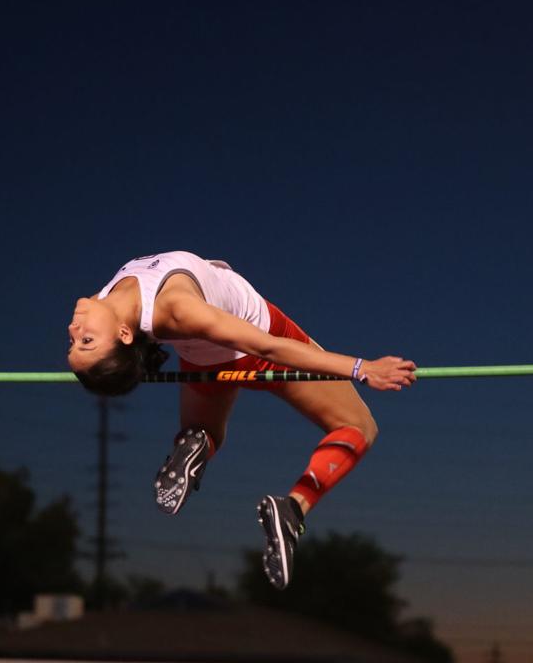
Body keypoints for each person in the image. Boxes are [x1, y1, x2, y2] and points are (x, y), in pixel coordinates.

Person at [67, 251, 416, 589]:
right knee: (359, 426)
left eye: (75, 342)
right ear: (124, 335)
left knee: (207, 432)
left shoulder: (109, 303)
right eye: (86, 340)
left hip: (203, 365)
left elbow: (122, 353)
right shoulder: (176, 308)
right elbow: (268, 347)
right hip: (257, 347)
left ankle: (196, 442)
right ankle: (293, 508)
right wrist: (362, 368)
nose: (74, 327)